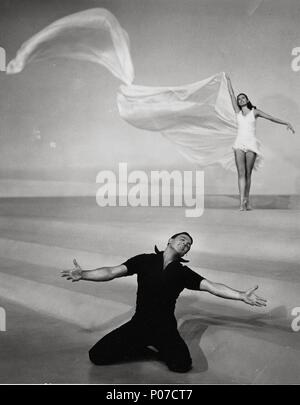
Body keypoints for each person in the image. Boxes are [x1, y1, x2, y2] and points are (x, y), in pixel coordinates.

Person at [61, 232, 267, 373]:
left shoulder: (182, 272)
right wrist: (84, 274)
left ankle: (154, 347)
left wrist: (241, 295)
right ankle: (141, 344)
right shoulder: (144, 260)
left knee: (182, 366)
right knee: (96, 356)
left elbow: (212, 286)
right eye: (183, 239)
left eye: (188, 245)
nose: (185, 244)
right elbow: (111, 272)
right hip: (138, 325)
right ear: (170, 240)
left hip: (165, 329)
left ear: (187, 252)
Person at [226, 74, 295, 211]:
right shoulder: (237, 112)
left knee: (248, 174)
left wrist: (286, 122)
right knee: (240, 173)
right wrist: (228, 80)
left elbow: (270, 118)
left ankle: (247, 200)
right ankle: (241, 203)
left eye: (243, 98)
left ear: (247, 100)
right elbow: (231, 94)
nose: (240, 100)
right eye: (239, 99)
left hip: (251, 144)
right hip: (239, 144)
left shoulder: (254, 112)